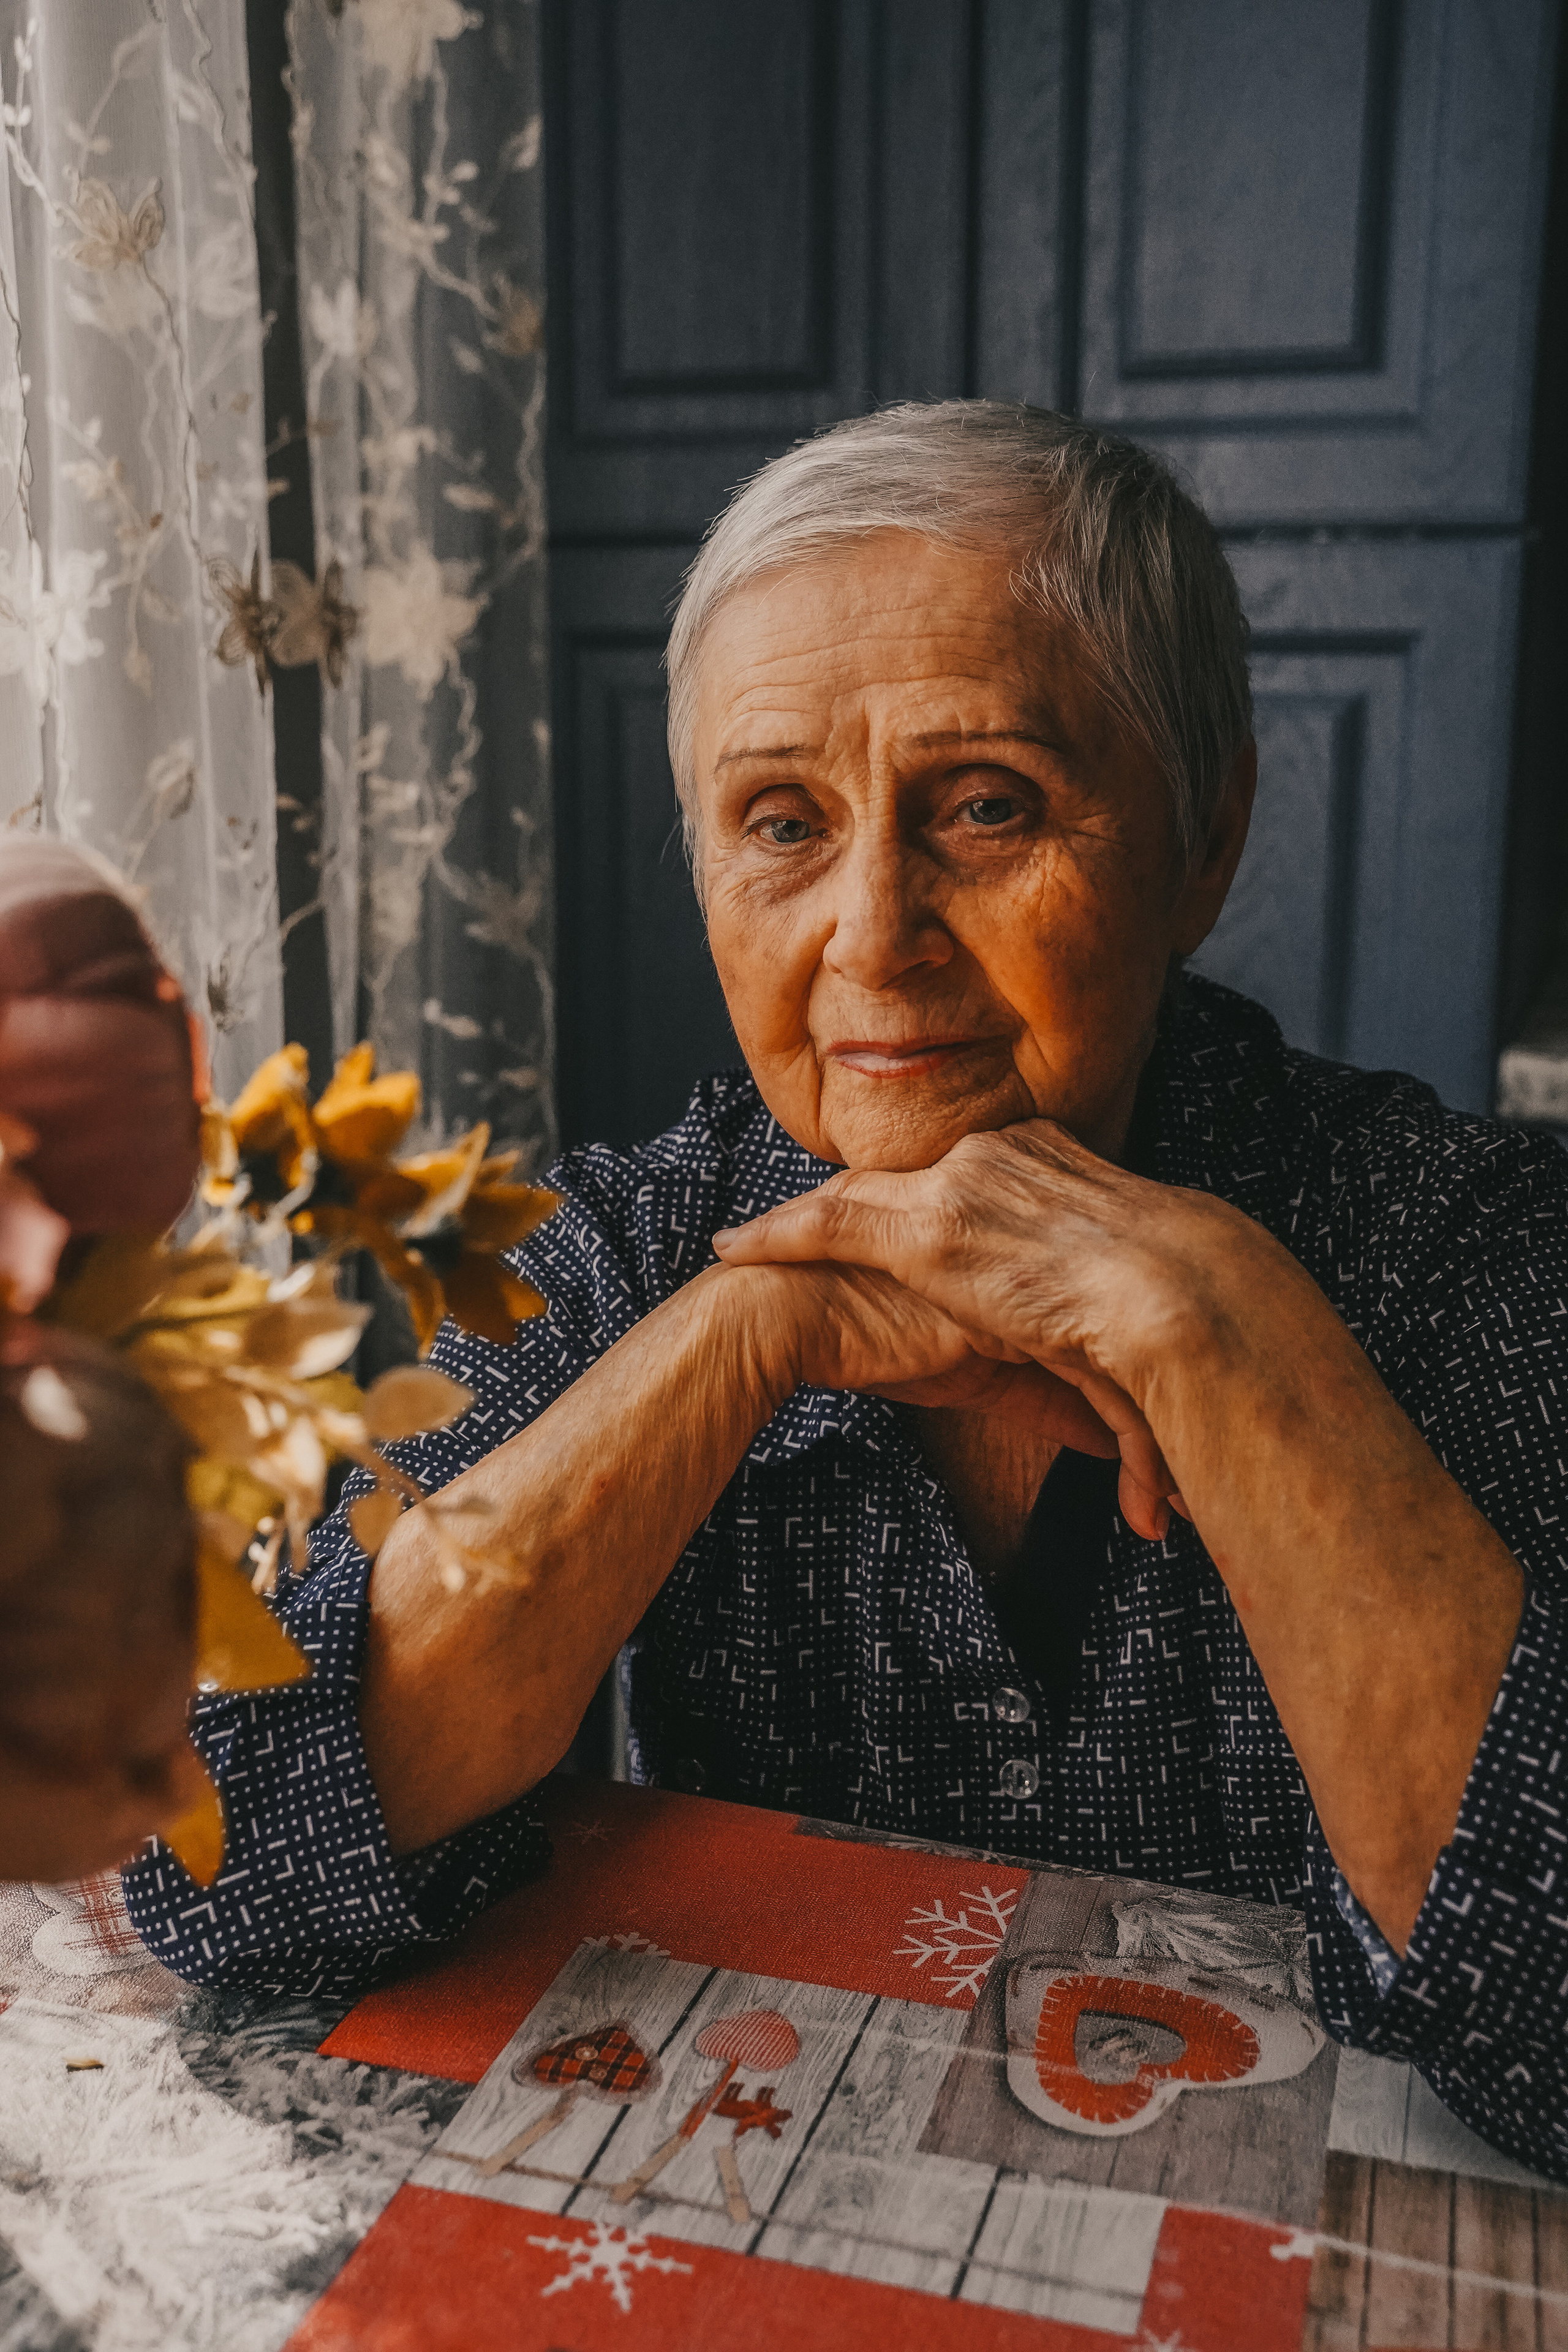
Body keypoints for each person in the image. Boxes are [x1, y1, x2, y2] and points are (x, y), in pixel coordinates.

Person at [123, 404, 1567, 2182]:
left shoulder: (1471, 1250)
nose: (874, 936)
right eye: (781, 822)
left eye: (988, 806)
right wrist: (755, 1327)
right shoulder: (627, 1250)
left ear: (1204, 836)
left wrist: (1216, 1337)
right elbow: (221, 1849)